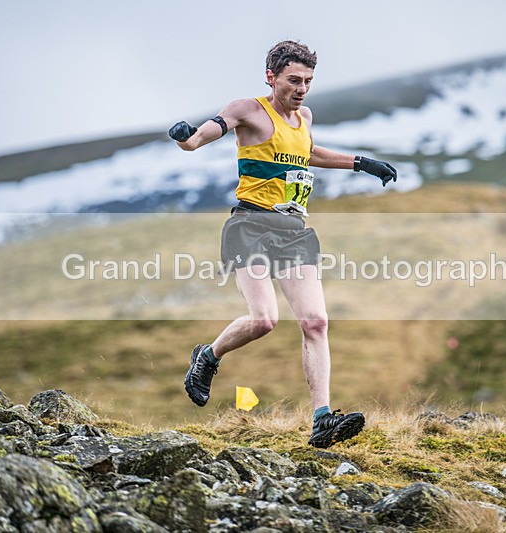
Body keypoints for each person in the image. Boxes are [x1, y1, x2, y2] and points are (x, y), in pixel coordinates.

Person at [169, 40, 397, 448]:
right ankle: (208, 356)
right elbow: (204, 135)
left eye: (308, 81)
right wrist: (186, 139)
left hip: (293, 231)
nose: (301, 89)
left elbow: (308, 154)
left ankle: (322, 419)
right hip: (250, 227)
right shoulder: (248, 110)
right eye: (294, 80)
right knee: (264, 320)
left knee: (316, 322)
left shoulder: (304, 117)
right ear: (271, 77)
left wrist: (362, 163)